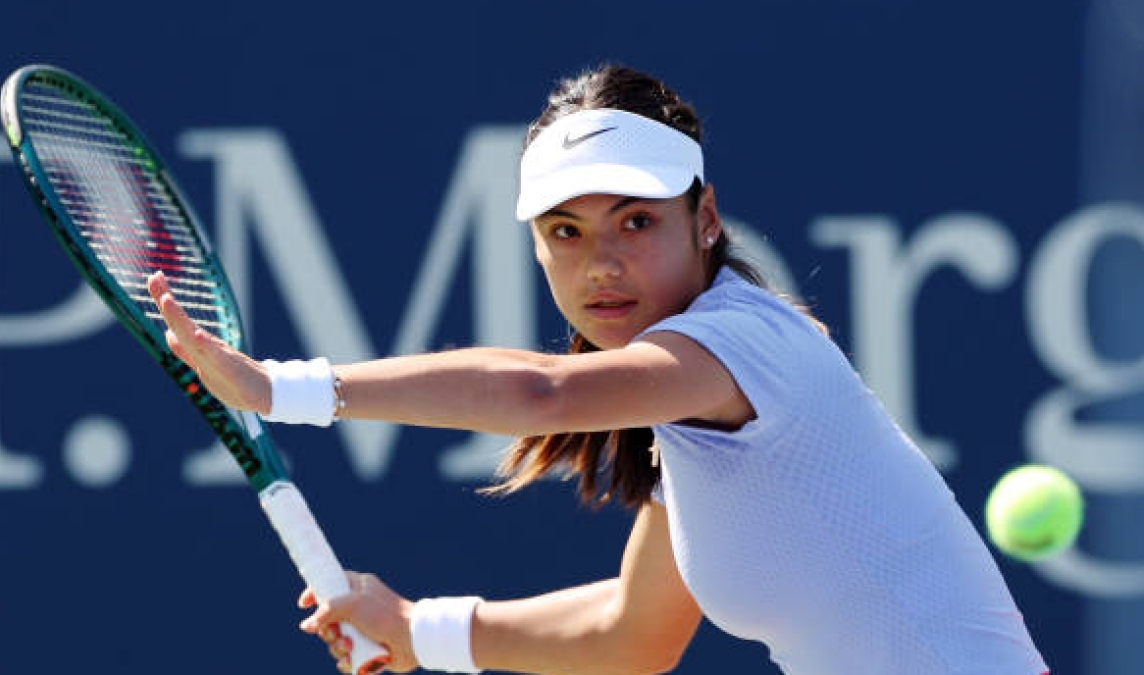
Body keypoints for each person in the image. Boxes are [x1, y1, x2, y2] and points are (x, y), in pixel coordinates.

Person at [147, 65, 1049, 675]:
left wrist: (283, 389)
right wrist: (420, 630)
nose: (602, 264)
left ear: (705, 217)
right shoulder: (690, 418)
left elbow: (540, 393)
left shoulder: (752, 344)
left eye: (636, 221)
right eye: (566, 234)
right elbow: (631, 631)